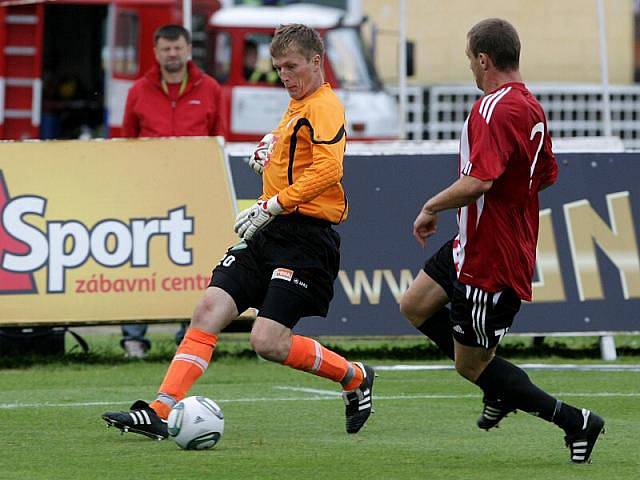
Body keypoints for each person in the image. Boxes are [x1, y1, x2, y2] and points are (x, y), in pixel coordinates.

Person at [102, 23, 375, 438]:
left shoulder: (323, 105)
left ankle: (354, 376)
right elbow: (299, 151)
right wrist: (273, 145)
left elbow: (329, 169)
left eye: (291, 66)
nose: (284, 75)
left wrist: (274, 203)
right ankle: (159, 410)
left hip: (305, 239)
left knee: (268, 342)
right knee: (209, 308)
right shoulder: (299, 103)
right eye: (278, 67)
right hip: (271, 232)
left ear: (317, 62)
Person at [399, 18, 605, 464]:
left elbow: (479, 181)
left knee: (470, 365)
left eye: (470, 60)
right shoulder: (529, 105)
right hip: (471, 245)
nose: (470, 69)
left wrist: (431, 206)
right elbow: (545, 175)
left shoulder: (492, 108)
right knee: (414, 305)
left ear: (483, 59)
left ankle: (576, 421)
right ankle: (496, 385)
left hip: (488, 259)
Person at [119, 24, 227, 358]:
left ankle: (189, 336)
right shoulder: (138, 91)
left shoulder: (210, 89)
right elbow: (126, 144)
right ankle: (133, 338)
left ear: (187, 49)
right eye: (166, 49)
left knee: (193, 267)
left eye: (178, 48)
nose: (172, 54)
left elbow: (219, 141)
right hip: (148, 193)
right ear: (156, 52)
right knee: (140, 262)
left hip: (195, 195)